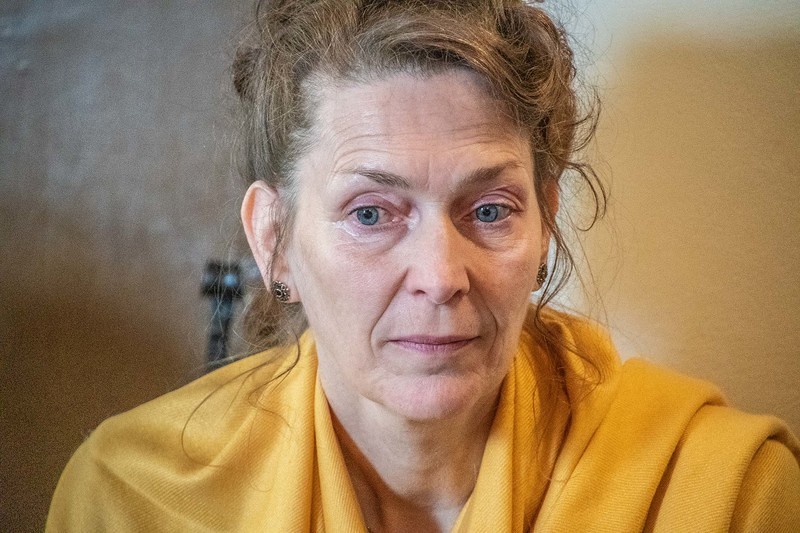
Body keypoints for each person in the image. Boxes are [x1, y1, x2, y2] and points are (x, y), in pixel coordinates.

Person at [47, 0, 799, 531]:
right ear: (274, 238)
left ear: (545, 221)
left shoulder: (721, 495)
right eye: (372, 214)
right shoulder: (132, 500)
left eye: (490, 210)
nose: (441, 276)